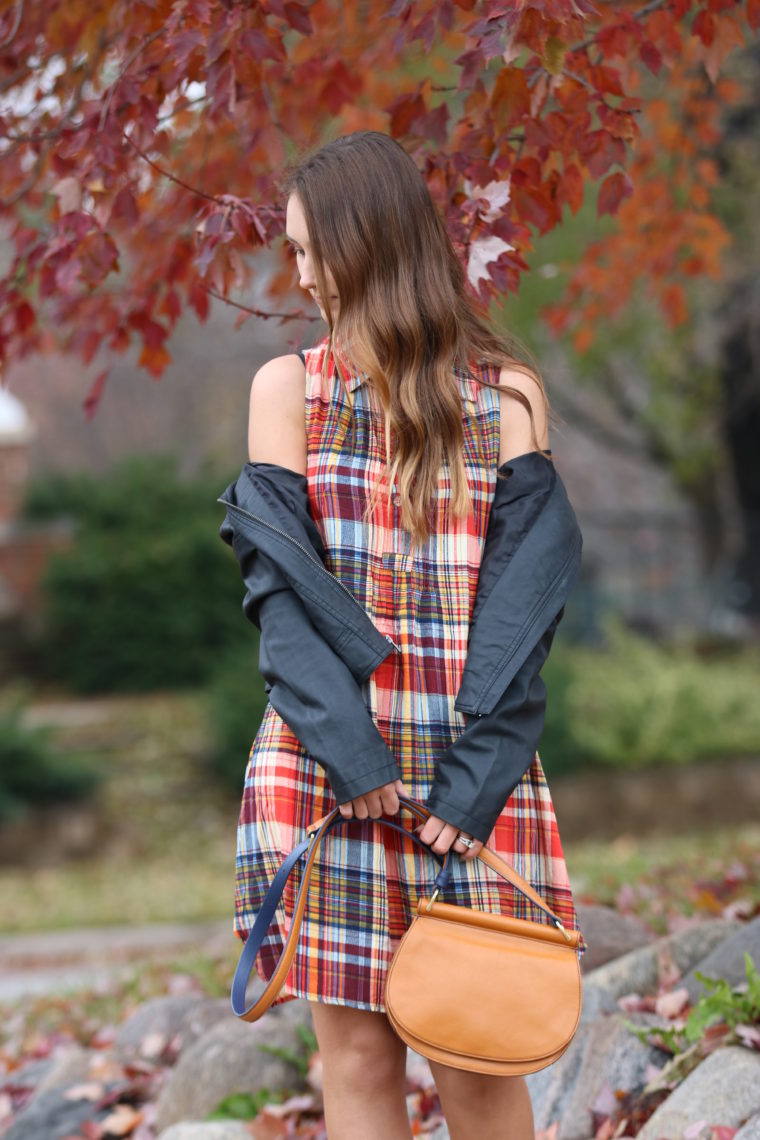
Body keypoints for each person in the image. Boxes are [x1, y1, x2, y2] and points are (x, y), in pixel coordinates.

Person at [219, 130, 585, 1140]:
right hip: (324, 770)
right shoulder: (286, 391)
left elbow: (526, 610)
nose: (296, 275)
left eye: (305, 251)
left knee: (479, 1059)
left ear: (361, 243)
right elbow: (280, 598)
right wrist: (352, 757)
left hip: (475, 775)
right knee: (359, 1058)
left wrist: (472, 786)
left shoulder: (506, 398)